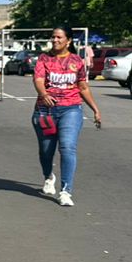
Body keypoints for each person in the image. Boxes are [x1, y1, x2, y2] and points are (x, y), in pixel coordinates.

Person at [33, 27, 103, 208]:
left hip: (71, 109)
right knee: (46, 151)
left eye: (59, 37)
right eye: (53, 37)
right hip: (45, 111)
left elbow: (83, 87)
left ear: (68, 40)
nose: (55, 40)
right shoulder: (44, 58)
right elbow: (38, 80)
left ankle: (66, 191)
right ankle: (48, 176)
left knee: (67, 147)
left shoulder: (76, 61)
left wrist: (95, 109)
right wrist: (43, 94)